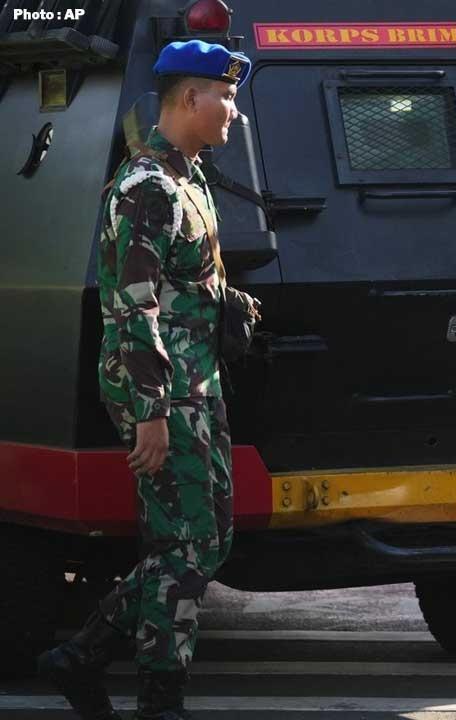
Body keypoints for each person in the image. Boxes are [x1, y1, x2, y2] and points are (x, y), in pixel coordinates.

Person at [37, 40, 258, 720]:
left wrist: (227, 304)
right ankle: (159, 698)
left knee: (208, 542)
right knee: (183, 549)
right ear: (190, 98)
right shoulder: (147, 190)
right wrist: (152, 411)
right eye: (226, 97)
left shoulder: (191, 178)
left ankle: (83, 656)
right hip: (161, 390)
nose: (234, 112)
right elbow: (134, 307)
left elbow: (182, 280)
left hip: (198, 383)